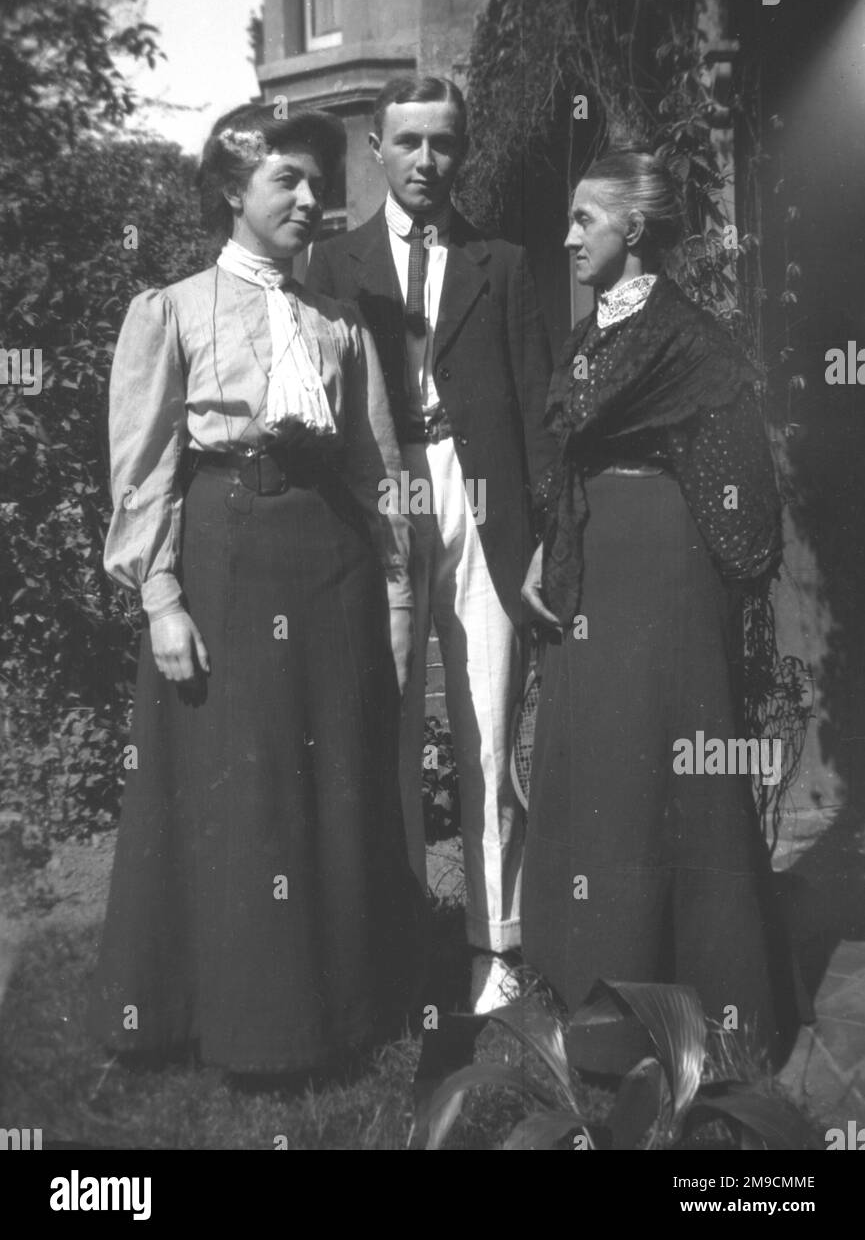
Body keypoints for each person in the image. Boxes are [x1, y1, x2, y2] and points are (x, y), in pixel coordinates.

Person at [88, 102, 421, 1077]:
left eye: (319, 183)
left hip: (332, 566)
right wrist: (158, 597)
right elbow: (142, 468)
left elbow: (373, 466)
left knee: (331, 784)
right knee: (247, 793)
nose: (311, 200)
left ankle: (347, 1009)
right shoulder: (174, 311)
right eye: (288, 180)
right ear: (233, 190)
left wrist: (394, 598)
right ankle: (243, 1024)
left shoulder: (339, 324)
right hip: (224, 559)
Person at [520, 150, 799, 1069]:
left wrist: (711, 582)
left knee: (662, 783)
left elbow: (739, 482)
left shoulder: (689, 338)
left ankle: (701, 1012)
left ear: (630, 230)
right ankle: (596, 1008)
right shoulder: (590, 333)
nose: (567, 239)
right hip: (592, 565)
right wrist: (546, 548)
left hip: (664, 575)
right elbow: (567, 457)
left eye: (583, 222)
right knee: (597, 778)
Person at [306, 76, 556, 1012]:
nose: (425, 162)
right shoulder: (334, 265)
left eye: (442, 144)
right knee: (388, 728)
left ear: (463, 150)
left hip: (481, 501)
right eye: (406, 143)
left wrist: (538, 542)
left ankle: (497, 949)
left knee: (489, 732)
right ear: (375, 148)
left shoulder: (504, 261)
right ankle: (403, 945)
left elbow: (538, 409)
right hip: (383, 499)